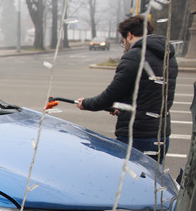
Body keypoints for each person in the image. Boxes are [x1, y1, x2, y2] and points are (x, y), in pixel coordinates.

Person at [76, 16, 178, 161]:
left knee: (126, 181)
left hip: (137, 136)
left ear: (129, 35)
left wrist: (86, 103)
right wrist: (125, 107)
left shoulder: (134, 56)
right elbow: (149, 94)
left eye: (123, 41)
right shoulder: (168, 56)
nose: (124, 45)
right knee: (152, 181)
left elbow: (111, 94)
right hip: (161, 135)